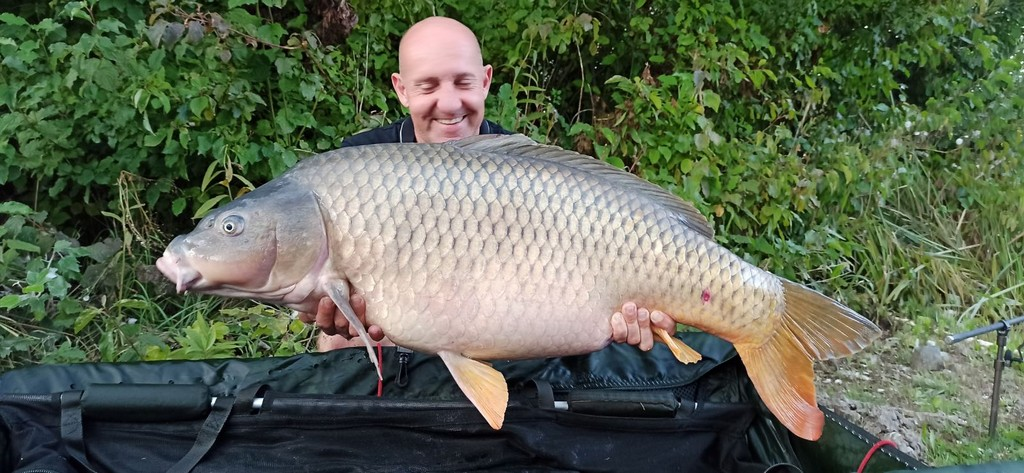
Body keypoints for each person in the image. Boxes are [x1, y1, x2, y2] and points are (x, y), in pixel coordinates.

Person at [297, 16, 676, 352]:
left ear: (485, 81)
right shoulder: (359, 165)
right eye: (428, 86)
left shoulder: (524, 166)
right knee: (339, 338)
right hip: (400, 334)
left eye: (463, 82)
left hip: (508, 328)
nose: (449, 104)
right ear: (402, 89)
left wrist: (628, 313)